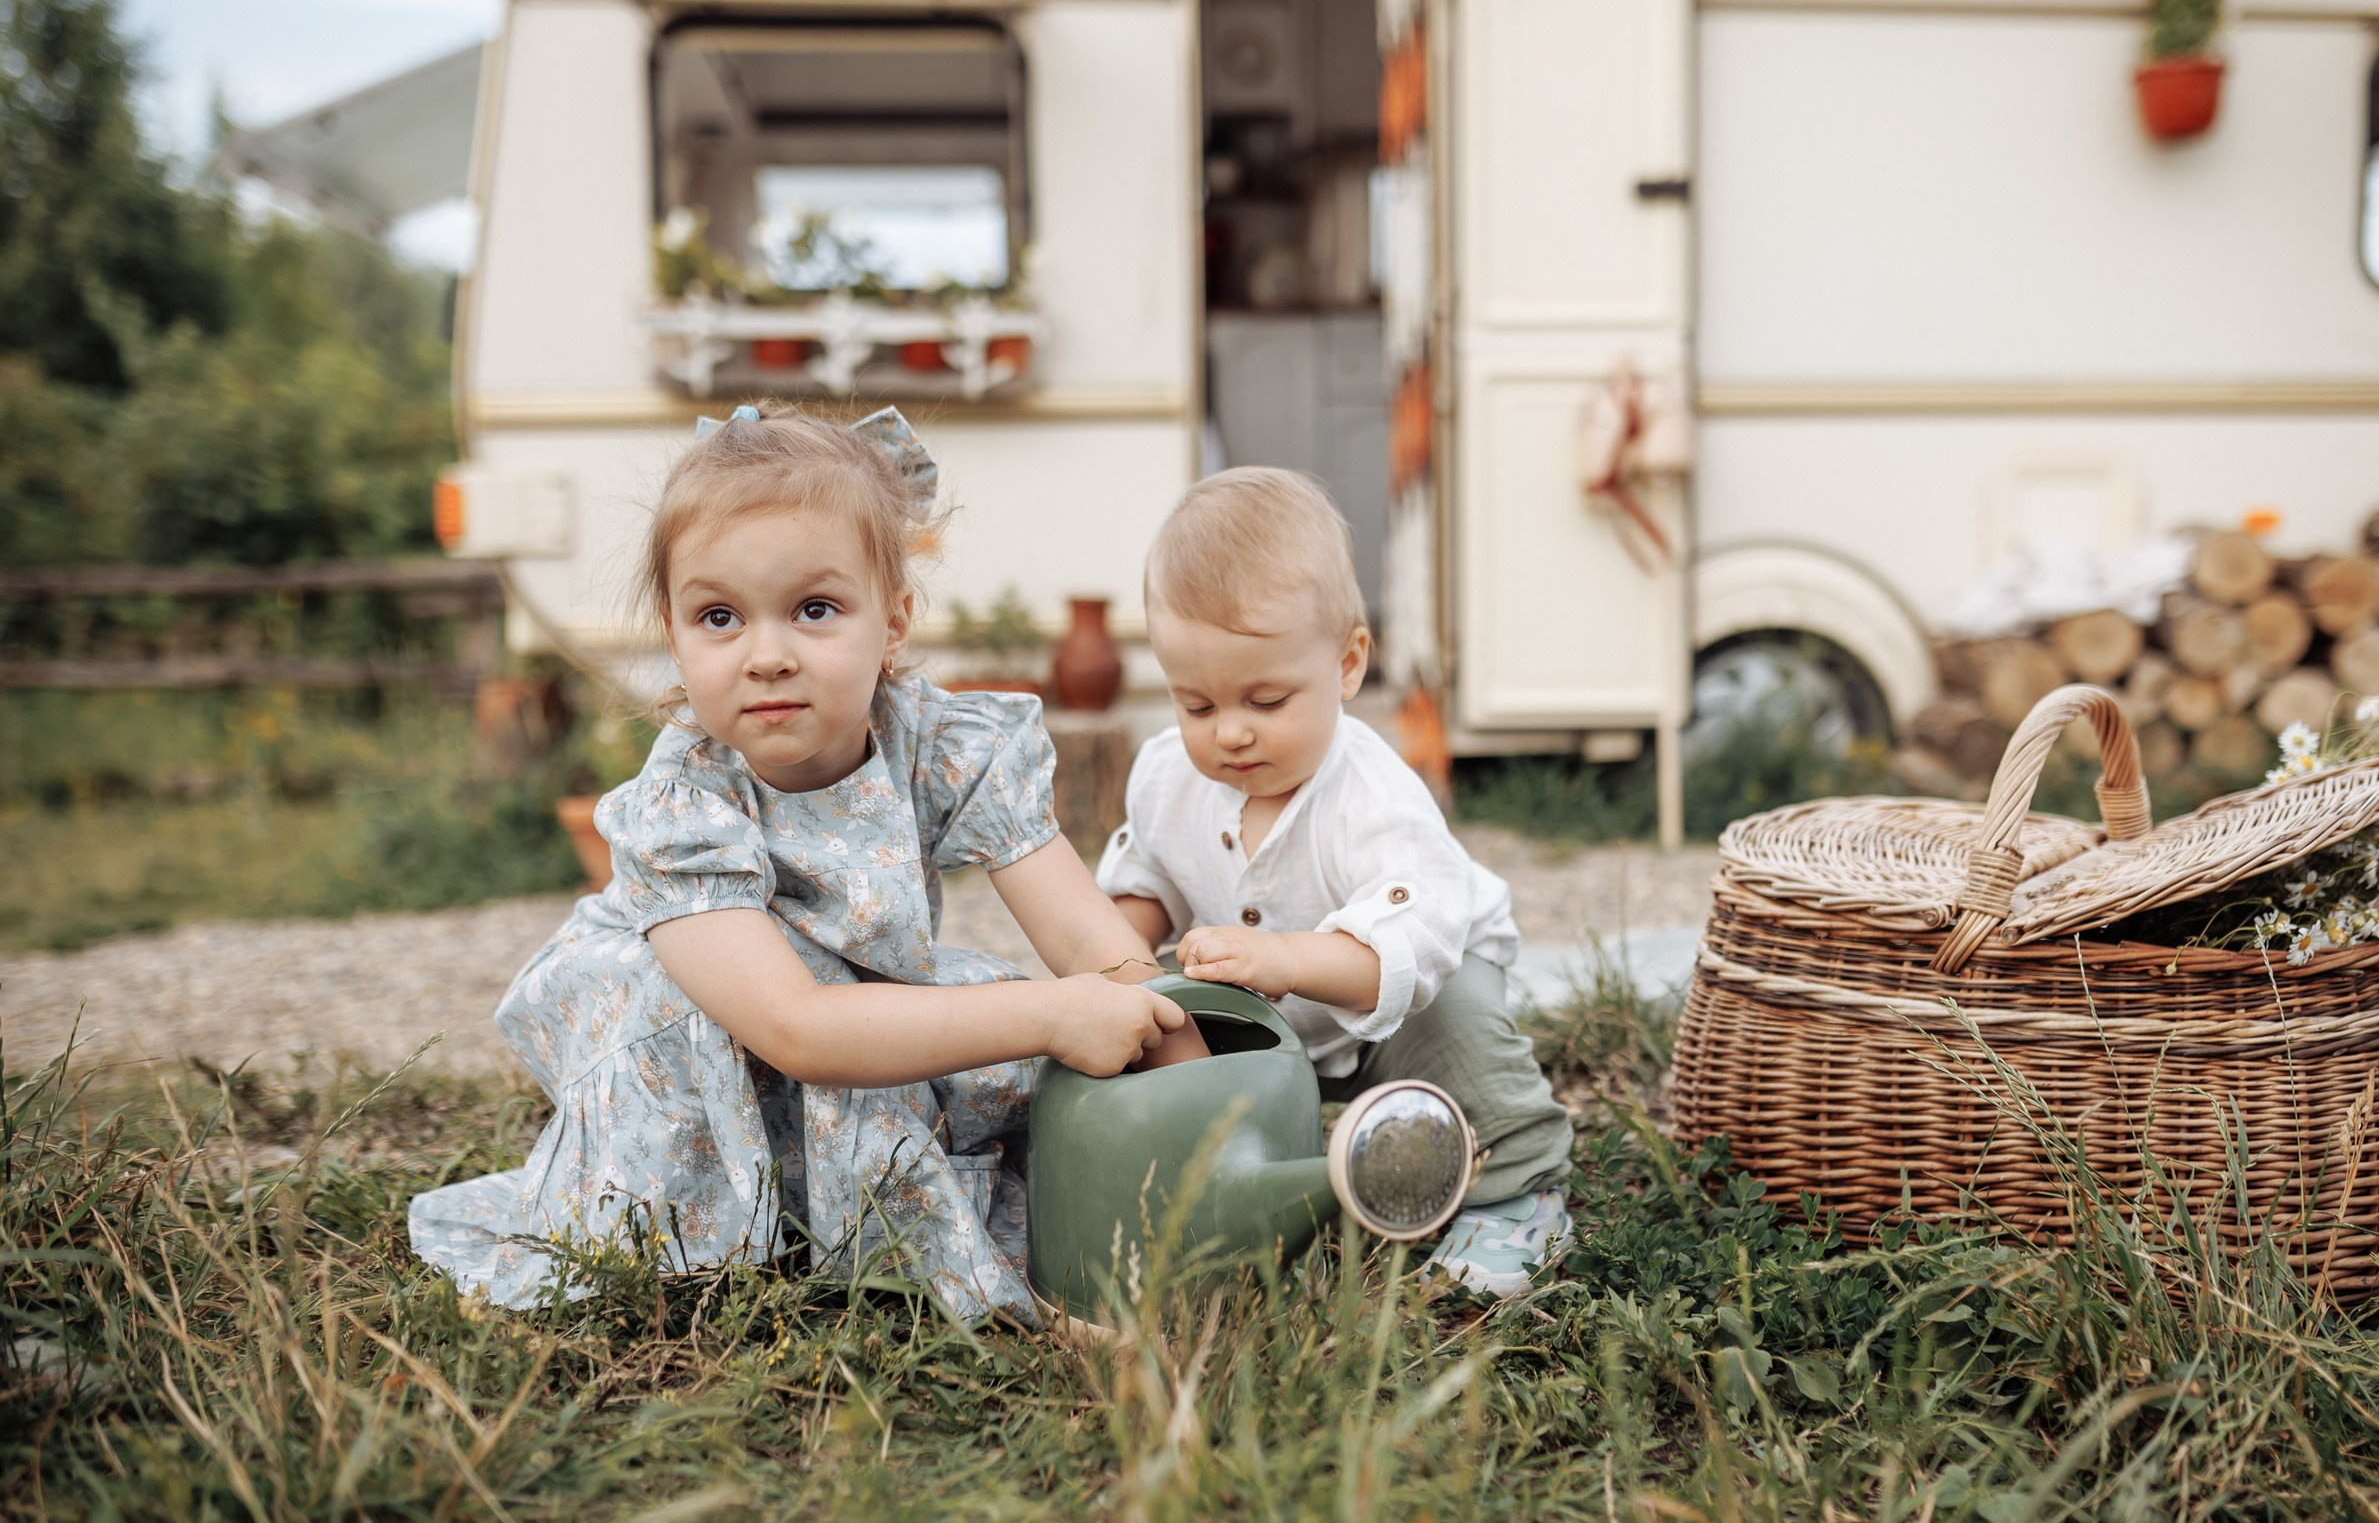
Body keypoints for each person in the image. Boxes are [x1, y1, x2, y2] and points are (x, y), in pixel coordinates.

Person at [409, 404, 1197, 1323]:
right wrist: (1052, 1013)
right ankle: (739, 1231)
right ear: (674, 635)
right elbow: (798, 1027)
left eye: (814, 610)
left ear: (893, 625)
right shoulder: (687, 803)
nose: (768, 655)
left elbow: (1089, 941)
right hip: (706, 1018)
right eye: (719, 617)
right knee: (967, 1017)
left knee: (980, 1037)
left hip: (839, 1010)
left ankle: (847, 1203)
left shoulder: (942, 742)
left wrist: (1182, 1065)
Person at [1097, 467, 1575, 1297]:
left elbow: (1415, 941)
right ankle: (1242, 1180)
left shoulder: (1373, 795)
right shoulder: (1165, 775)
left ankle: (1516, 1189)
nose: (1232, 732)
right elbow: (1149, 876)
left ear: (1349, 663)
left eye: (1268, 698)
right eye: (1198, 706)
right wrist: (1118, 944)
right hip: (1274, 1017)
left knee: (1455, 1020)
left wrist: (1290, 957)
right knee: (1166, 1029)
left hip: (1408, 987)